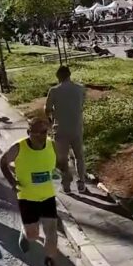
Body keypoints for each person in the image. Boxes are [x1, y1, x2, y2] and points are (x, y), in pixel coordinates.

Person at [0, 117, 60, 266]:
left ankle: (49, 261)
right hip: (27, 197)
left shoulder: (51, 144)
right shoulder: (19, 147)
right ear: (28, 133)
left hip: (47, 196)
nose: (42, 136)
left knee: (51, 232)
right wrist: (12, 181)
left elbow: (60, 162)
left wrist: (66, 172)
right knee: (33, 236)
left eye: (44, 132)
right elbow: (3, 161)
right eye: (37, 133)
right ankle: (25, 233)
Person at [44, 65, 87, 193]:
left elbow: (47, 109)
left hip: (60, 129)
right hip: (76, 128)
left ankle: (67, 185)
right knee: (79, 157)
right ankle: (82, 183)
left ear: (58, 77)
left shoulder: (54, 90)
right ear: (69, 75)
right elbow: (81, 104)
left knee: (63, 159)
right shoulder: (80, 89)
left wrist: (51, 118)